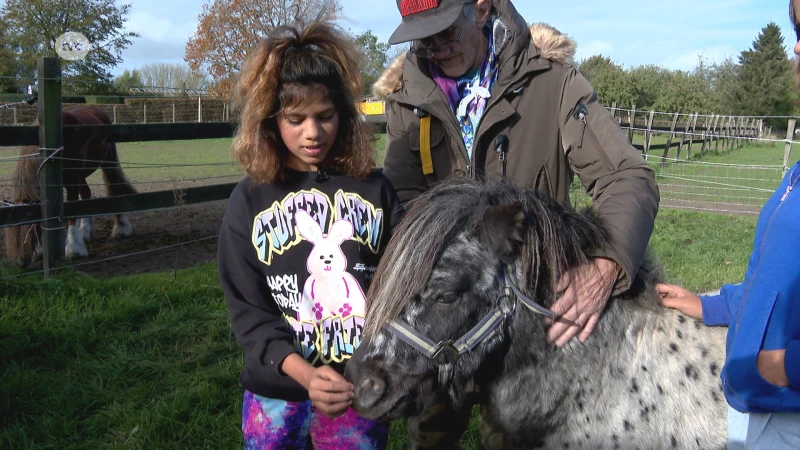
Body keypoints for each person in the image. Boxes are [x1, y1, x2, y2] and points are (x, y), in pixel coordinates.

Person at [374, 0, 659, 447]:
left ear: (482, 9)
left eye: (446, 32)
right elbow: (402, 203)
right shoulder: (408, 98)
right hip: (446, 314)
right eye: (421, 36)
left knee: (519, 435)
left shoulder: (552, 81)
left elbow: (626, 176)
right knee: (430, 433)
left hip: (528, 321)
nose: (435, 49)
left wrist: (606, 265)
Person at [217, 20, 402, 450]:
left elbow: (401, 288)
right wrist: (303, 373)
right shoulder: (248, 201)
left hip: (357, 389)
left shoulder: (376, 190)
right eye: (295, 119)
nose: (312, 133)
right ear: (270, 120)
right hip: (276, 396)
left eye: (325, 117)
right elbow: (248, 312)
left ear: (344, 113)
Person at [657, 5, 800, 449]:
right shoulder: (796, 174)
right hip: (755, 407)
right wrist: (710, 305)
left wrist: (784, 366)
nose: (796, 45)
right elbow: (771, 281)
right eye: (798, 28)